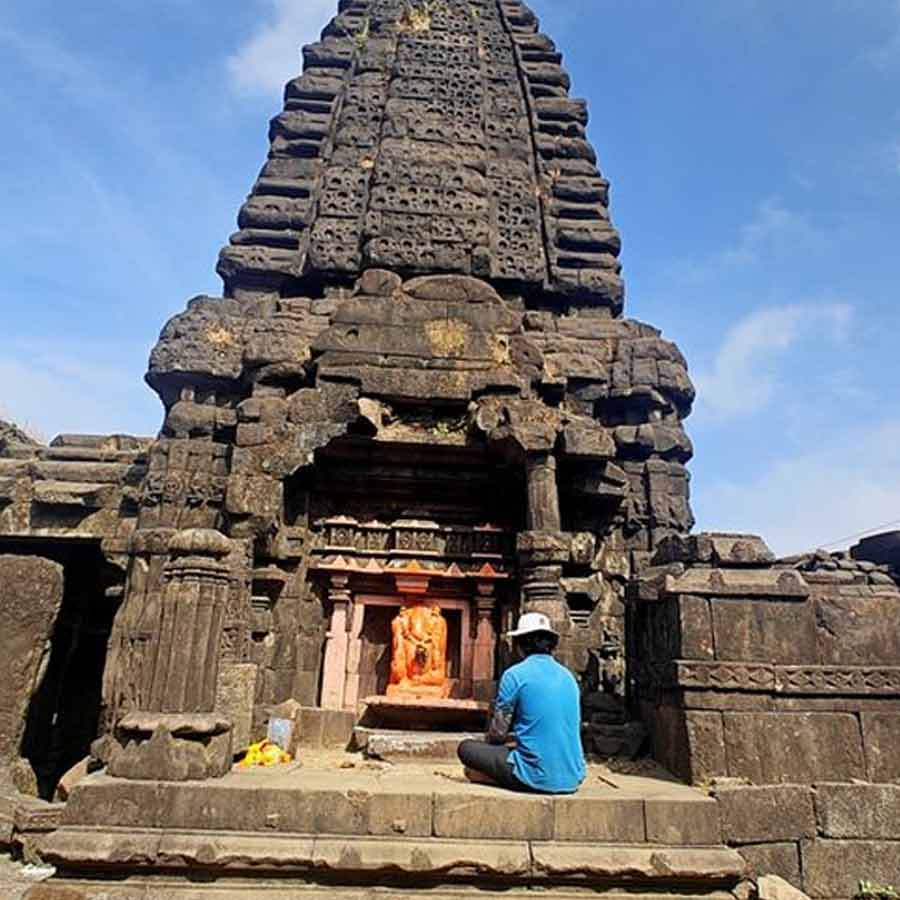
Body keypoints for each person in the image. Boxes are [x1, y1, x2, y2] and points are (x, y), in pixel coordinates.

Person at [457, 612, 586, 794]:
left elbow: (497, 735)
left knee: (466, 749)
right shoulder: (569, 677)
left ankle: (490, 776)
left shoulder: (515, 675)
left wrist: (494, 743)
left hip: (535, 776)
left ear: (520, 645)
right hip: (573, 776)